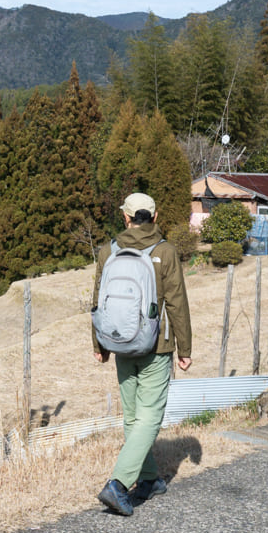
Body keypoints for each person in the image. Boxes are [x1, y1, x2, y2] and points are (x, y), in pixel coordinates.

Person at [91, 192, 193, 516]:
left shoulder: (109, 250)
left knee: (134, 417)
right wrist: (184, 348)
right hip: (156, 344)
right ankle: (119, 484)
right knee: (149, 417)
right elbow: (177, 302)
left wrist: (99, 344)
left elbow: (98, 299)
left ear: (126, 217)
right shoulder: (165, 251)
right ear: (155, 215)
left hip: (119, 342)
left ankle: (149, 479)